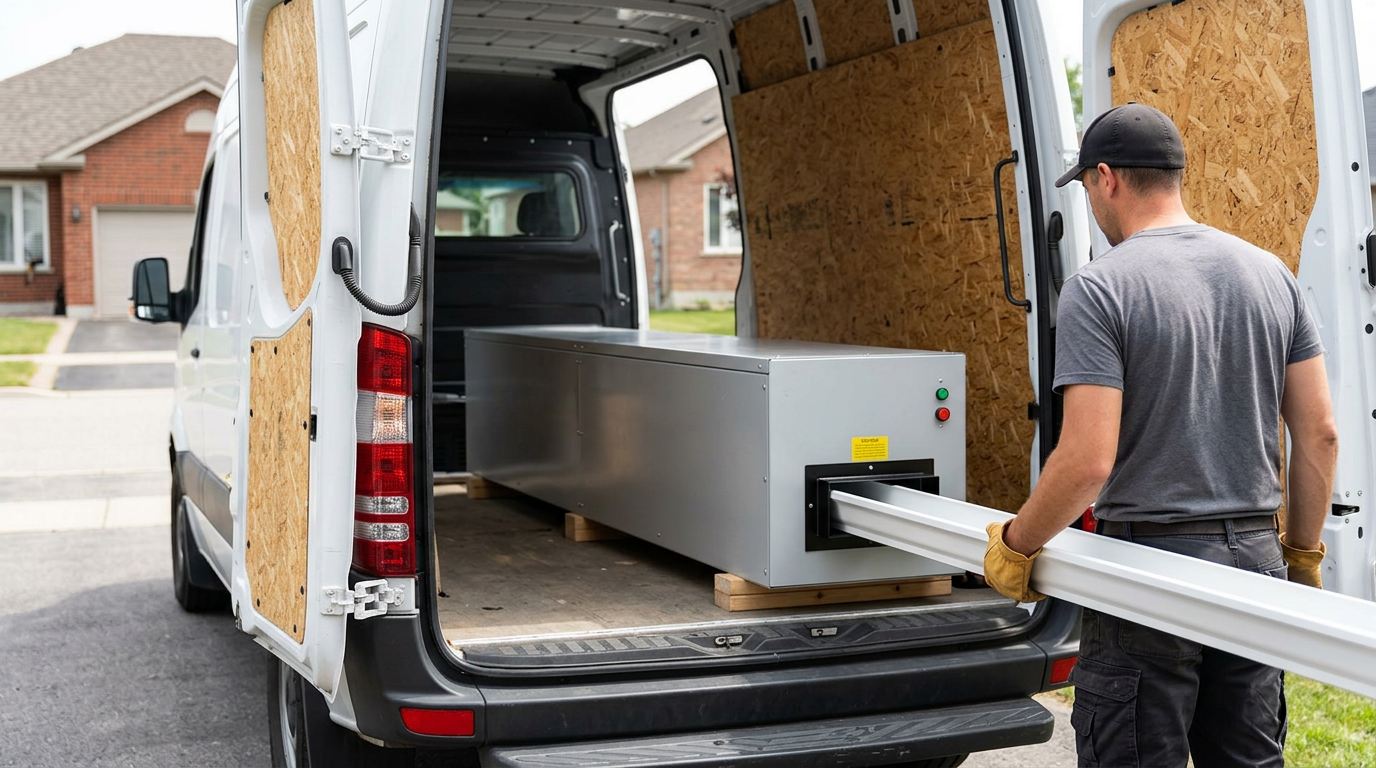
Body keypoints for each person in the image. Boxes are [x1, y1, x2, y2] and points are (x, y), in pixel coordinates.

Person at [981, 103, 1338, 768]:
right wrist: (1301, 555)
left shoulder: (1101, 288)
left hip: (1151, 571)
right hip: (1257, 562)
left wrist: (1018, 544)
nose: (1091, 202)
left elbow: (1088, 460)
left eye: (1086, 187)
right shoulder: (1271, 275)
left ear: (1107, 179)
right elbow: (1319, 434)